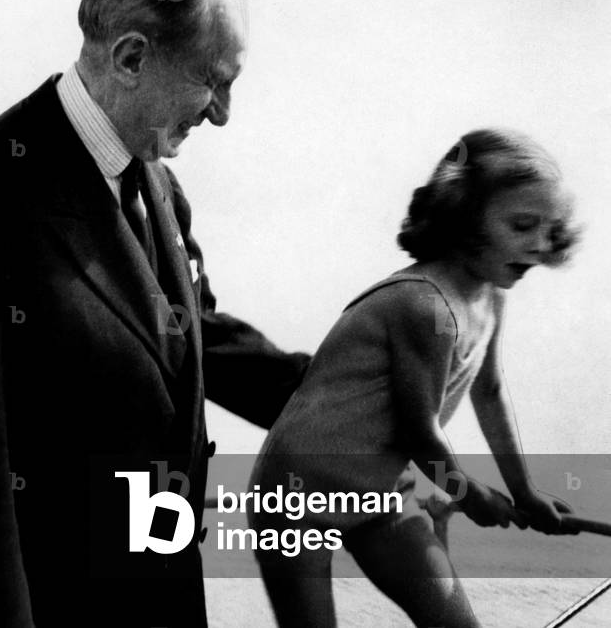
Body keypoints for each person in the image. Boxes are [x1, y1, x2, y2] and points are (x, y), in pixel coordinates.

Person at [0, 0, 310, 627]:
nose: (223, 112)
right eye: (213, 80)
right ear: (130, 57)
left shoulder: (159, 188)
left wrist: (351, 392)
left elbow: (188, 341)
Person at [248, 129, 581, 627]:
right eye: (522, 224)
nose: (538, 244)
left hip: (382, 490)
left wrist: (525, 491)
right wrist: (468, 493)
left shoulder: (490, 297)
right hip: (297, 493)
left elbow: (489, 393)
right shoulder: (424, 305)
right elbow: (419, 433)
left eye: (549, 230)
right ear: (464, 218)